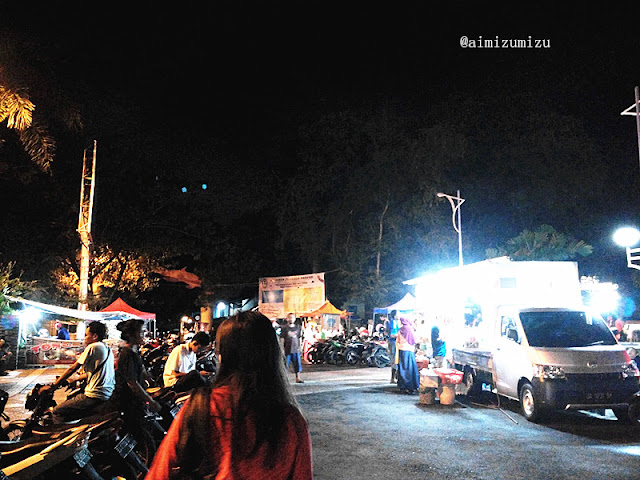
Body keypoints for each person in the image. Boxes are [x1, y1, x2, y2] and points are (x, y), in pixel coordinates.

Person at [146, 311, 313, 480]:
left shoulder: (200, 408)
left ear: (222, 356)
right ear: (273, 356)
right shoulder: (291, 422)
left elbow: (158, 473)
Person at [39, 321, 115, 423]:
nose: (84, 338)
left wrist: (54, 386)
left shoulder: (93, 346)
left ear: (95, 336)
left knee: (58, 411)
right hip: (105, 393)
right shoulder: (107, 349)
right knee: (71, 399)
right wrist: (72, 380)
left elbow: (73, 368)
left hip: (94, 395)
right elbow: (92, 372)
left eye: (86, 335)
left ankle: (62, 436)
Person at [108, 319, 161, 419]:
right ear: (131, 335)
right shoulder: (127, 353)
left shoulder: (134, 351)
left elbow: (142, 371)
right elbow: (132, 383)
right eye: (140, 332)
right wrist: (151, 402)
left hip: (133, 400)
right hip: (127, 402)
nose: (143, 335)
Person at [396, 316, 419, 394]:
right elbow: (414, 340)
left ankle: (403, 386)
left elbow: (398, 340)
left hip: (401, 350)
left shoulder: (400, 329)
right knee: (410, 369)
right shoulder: (410, 329)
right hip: (409, 351)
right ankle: (411, 387)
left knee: (403, 368)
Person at [282, 313, 304, 383]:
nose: (291, 319)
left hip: (296, 349)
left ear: (294, 319)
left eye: (292, 318)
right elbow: (282, 339)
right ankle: (284, 380)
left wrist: (300, 347)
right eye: (289, 317)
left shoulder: (297, 327)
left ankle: (298, 378)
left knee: (297, 364)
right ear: (287, 319)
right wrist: (282, 349)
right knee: (285, 365)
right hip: (287, 350)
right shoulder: (284, 328)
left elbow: (299, 338)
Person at [384, 310, 400, 383]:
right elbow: (392, 335)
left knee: (395, 360)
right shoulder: (393, 322)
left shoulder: (395, 322)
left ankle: (394, 378)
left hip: (395, 342)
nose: (399, 315)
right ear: (394, 315)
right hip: (393, 342)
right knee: (394, 360)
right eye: (398, 314)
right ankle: (393, 378)